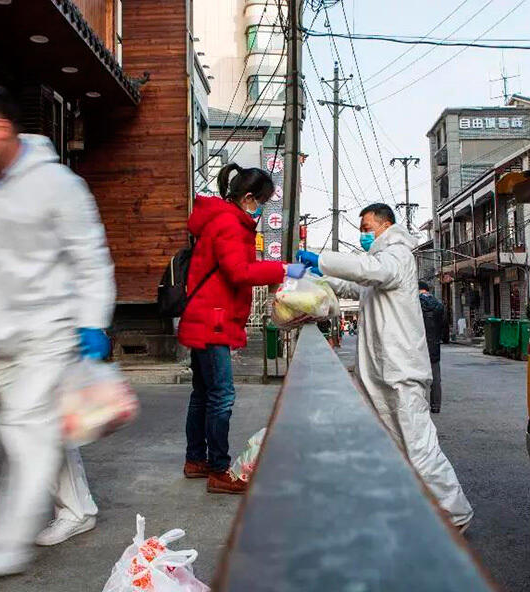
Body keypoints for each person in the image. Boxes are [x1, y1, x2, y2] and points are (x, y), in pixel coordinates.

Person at [0, 84, 115, 579]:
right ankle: (78, 510)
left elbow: (91, 259)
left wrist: (93, 323)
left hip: (49, 333)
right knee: (43, 430)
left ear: (1, 128)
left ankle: (2, 545)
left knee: (22, 431)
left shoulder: (59, 184)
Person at [297, 203, 473, 530]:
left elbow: (374, 272)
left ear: (385, 224)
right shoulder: (380, 261)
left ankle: (455, 516)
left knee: (419, 450)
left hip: (401, 373)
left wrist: (320, 259)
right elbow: (357, 284)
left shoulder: (397, 255)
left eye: (366, 228)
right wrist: (322, 276)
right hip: (381, 374)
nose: (363, 235)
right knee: (390, 448)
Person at [177, 163, 305, 494]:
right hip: (213, 320)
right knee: (221, 396)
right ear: (248, 198)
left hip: (205, 316)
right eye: (261, 201)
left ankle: (196, 460)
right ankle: (219, 470)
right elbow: (239, 271)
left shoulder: (221, 219)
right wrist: (284, 269)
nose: (261, 209)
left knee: (203, 393)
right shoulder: (229, 224)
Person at [419, 281, 445, 414]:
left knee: (418, 377)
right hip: (434, 345)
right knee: (435, 378)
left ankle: (419, 405)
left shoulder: (415, 304)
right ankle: (436, 406)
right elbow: (444, 326)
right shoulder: (438, 304)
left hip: (418, 346)